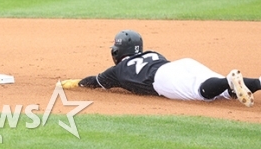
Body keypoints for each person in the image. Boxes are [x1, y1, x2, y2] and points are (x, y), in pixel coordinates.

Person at [59, 30, 261, 107]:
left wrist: (70, 83)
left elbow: (92, 82)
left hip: (161, 79)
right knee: (226, 93)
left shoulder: (116, 71)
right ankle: (257, 81)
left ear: (118, 51)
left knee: (201, 93)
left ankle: (228, 80)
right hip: (180, 64)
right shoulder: (152, 53)